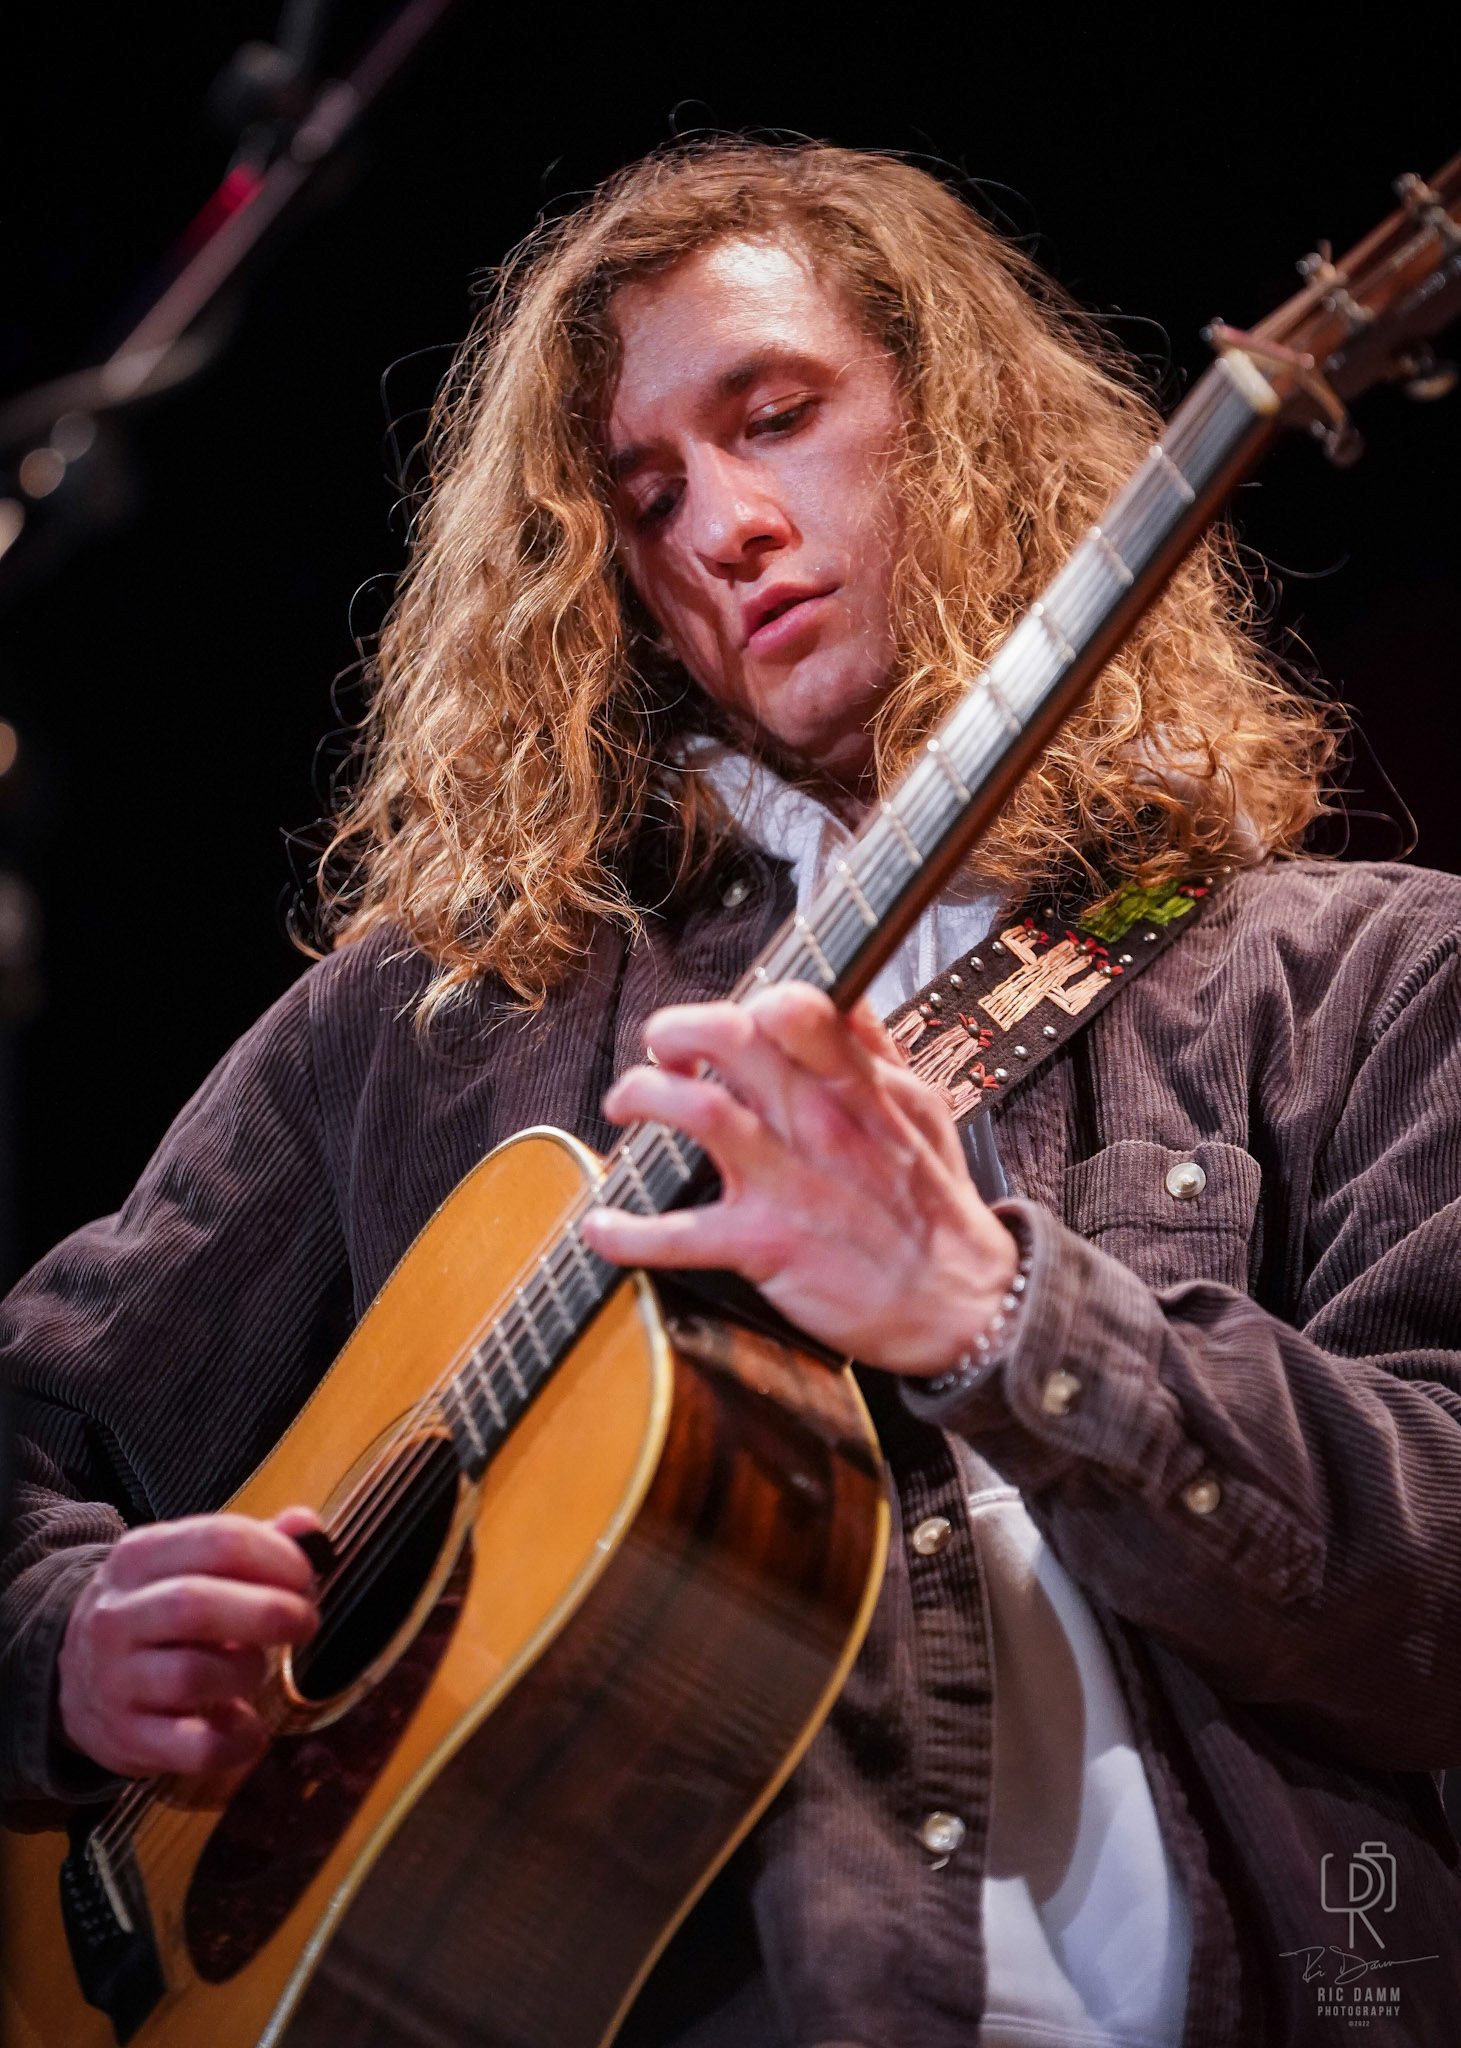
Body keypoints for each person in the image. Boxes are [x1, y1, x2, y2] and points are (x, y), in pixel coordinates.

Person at [4, 140, 1461, 2047]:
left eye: (775, 420)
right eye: (645, 497)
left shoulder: (1362, 978)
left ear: (964, 424)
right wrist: (66, 1645)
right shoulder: (435, 1024)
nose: (722, 527)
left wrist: (1004, 1316)